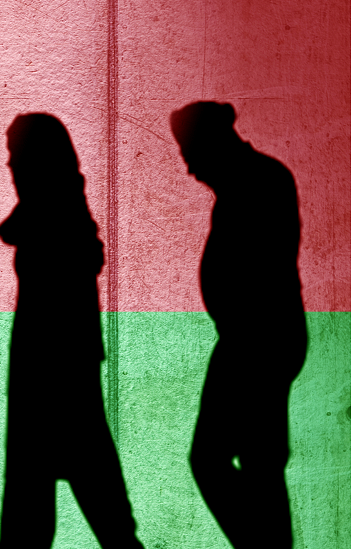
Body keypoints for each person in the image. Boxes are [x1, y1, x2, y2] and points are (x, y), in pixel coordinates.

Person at [0, 113, 143, 549]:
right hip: (56, 366)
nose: (10, 166)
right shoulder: (64, 217)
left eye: (15, 156)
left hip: (50, 370)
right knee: (75, 486)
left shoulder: (55, 222)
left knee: (50, 489)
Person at [171, 102, 306, 549]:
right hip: (253, 341)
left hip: (254, 344)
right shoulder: (251, 182)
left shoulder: (258, 182)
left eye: (190, 152)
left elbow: (260, 273)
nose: (189, 168)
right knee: (257, 463)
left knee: (224, 461)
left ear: (214, 141)